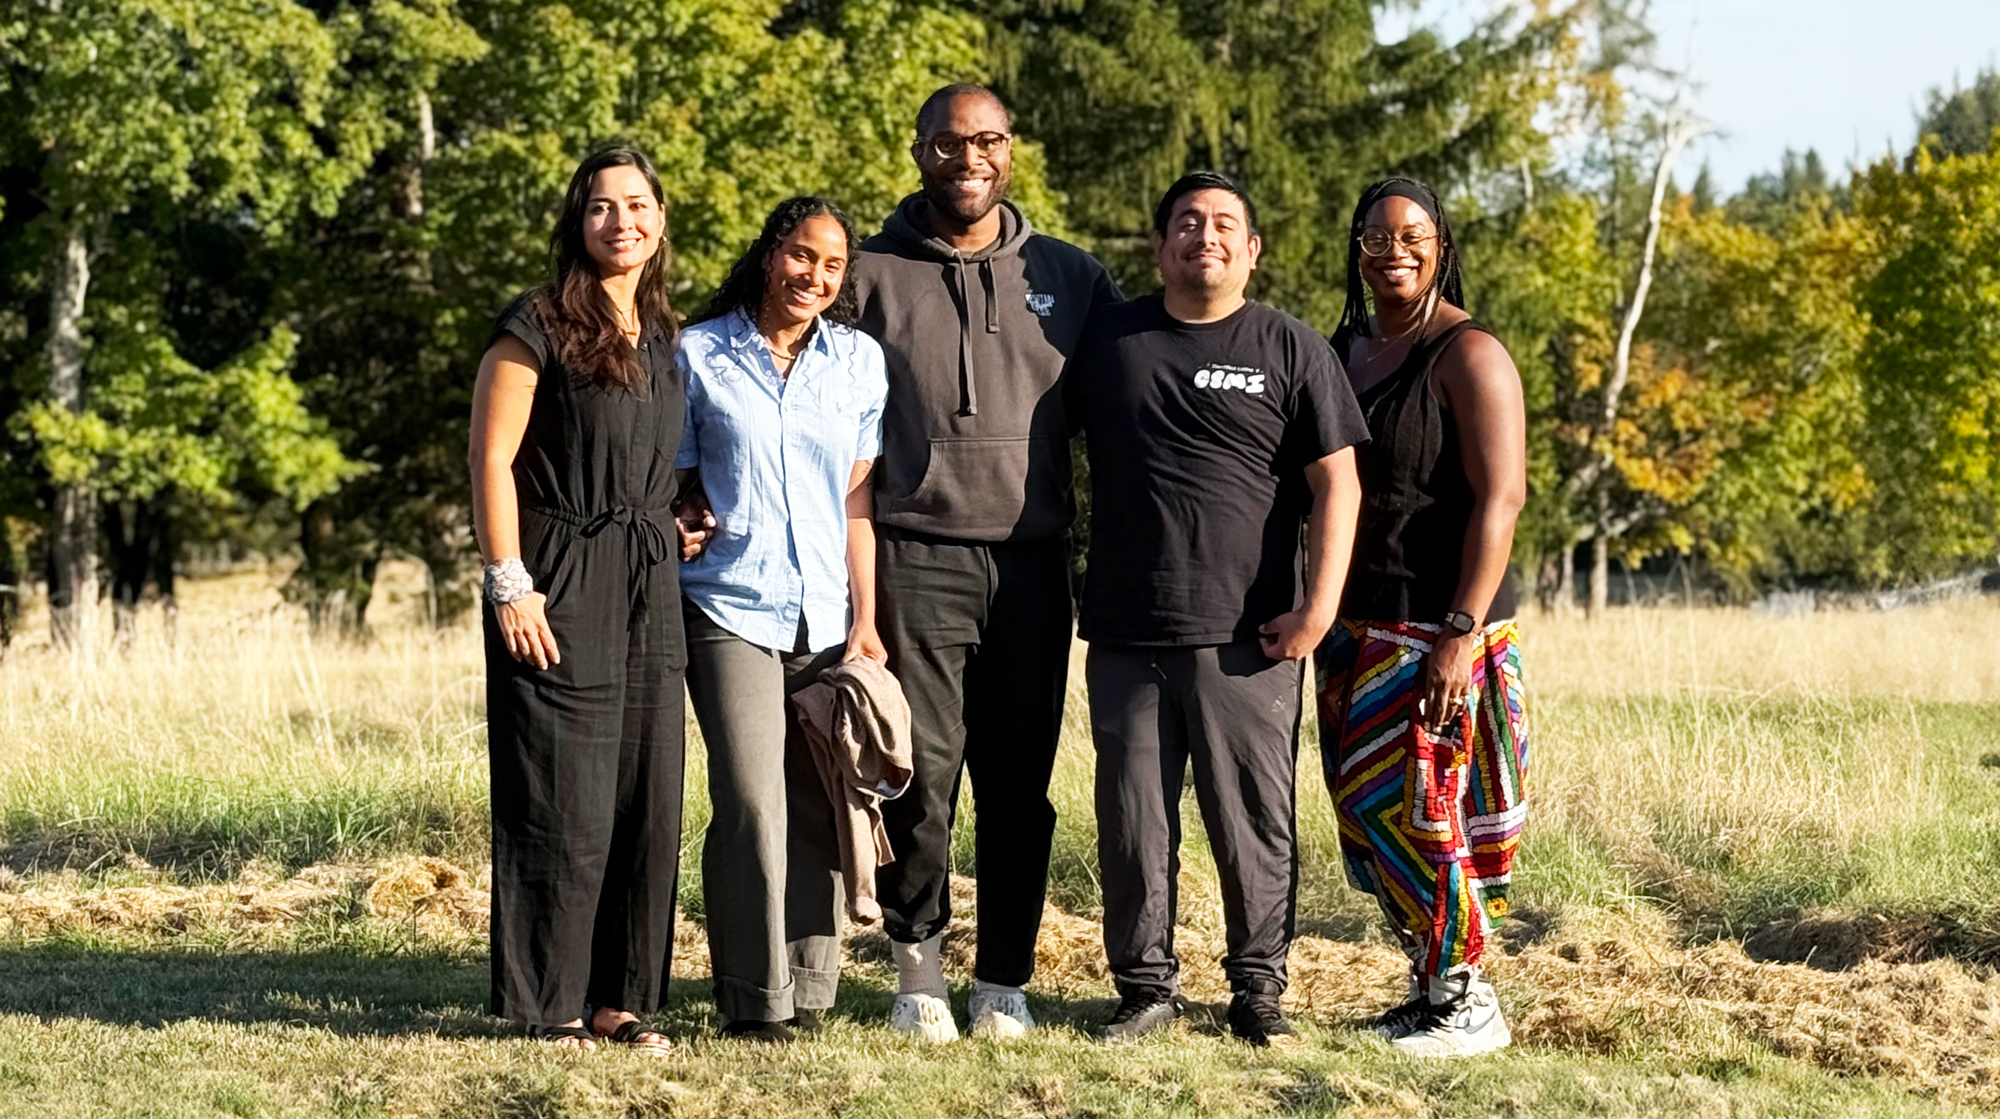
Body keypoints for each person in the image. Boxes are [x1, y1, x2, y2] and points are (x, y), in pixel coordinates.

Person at [1067, 172, 1367, 1046]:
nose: (1207, 235)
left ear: (1252, 248)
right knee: (1131, 822)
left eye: (1226, 223)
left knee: (1252, 824)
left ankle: (1258, 991)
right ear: (1160, 247)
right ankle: (1144, 989)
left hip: (1250, 636)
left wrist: (1318, 609)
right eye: (1188, 223)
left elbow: (1337, 485)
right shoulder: (1110, 341)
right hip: (1125, 627)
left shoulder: (1291, 346)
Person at [849, 83, 1122, 1042]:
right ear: (920, 149)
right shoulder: (867, 273)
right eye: (951, 142)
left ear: (1012, 150)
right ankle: (917, 971)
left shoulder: (1073, 277)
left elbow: (1141, 405)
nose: (971, 157)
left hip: (1035, 564)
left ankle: (1003, 977)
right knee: (920, 773)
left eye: (990, 140)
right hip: (913, 555)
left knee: (1018, 781)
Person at [470, 147, 685, 1055]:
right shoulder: (538, 322)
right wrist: (509, 581)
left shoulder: (666, 332)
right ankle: (551, 1001)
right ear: (578, 221)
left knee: (646, 789)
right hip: (557, 573)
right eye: (601, 207)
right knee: (563, 791)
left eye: (636, 204)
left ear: (661, 219)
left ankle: (619, 997)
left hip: (650, 577)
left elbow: (655, 458)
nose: (621, 221)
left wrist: (678, 519)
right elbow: (490, 460)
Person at [1316, 177, 1530, 1057]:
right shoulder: (1344, 349)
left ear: (1441, 242)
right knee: (1368, 812)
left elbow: (1502, 498)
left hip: (1438, 630)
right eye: (1375, 238)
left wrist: (1460, 630)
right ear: (1355, 250)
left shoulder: (1469, 353)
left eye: (1411, 236)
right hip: (1355, 627)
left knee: (1424, 810)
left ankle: (1472, 1001)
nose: (1392, 252)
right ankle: (1431, 985)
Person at [674, 196, 889, 1043]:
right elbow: (676, 480)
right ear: (771, 254)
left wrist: (866, 619)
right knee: (752, 802)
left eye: (832, 265)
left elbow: (856, 500)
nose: (815, 277)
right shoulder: (699, 354)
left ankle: (810, 985)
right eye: (802, 256)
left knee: (817, 802)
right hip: (728, 603)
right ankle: (752, 999)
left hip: (826, 616)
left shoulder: (858, 363)